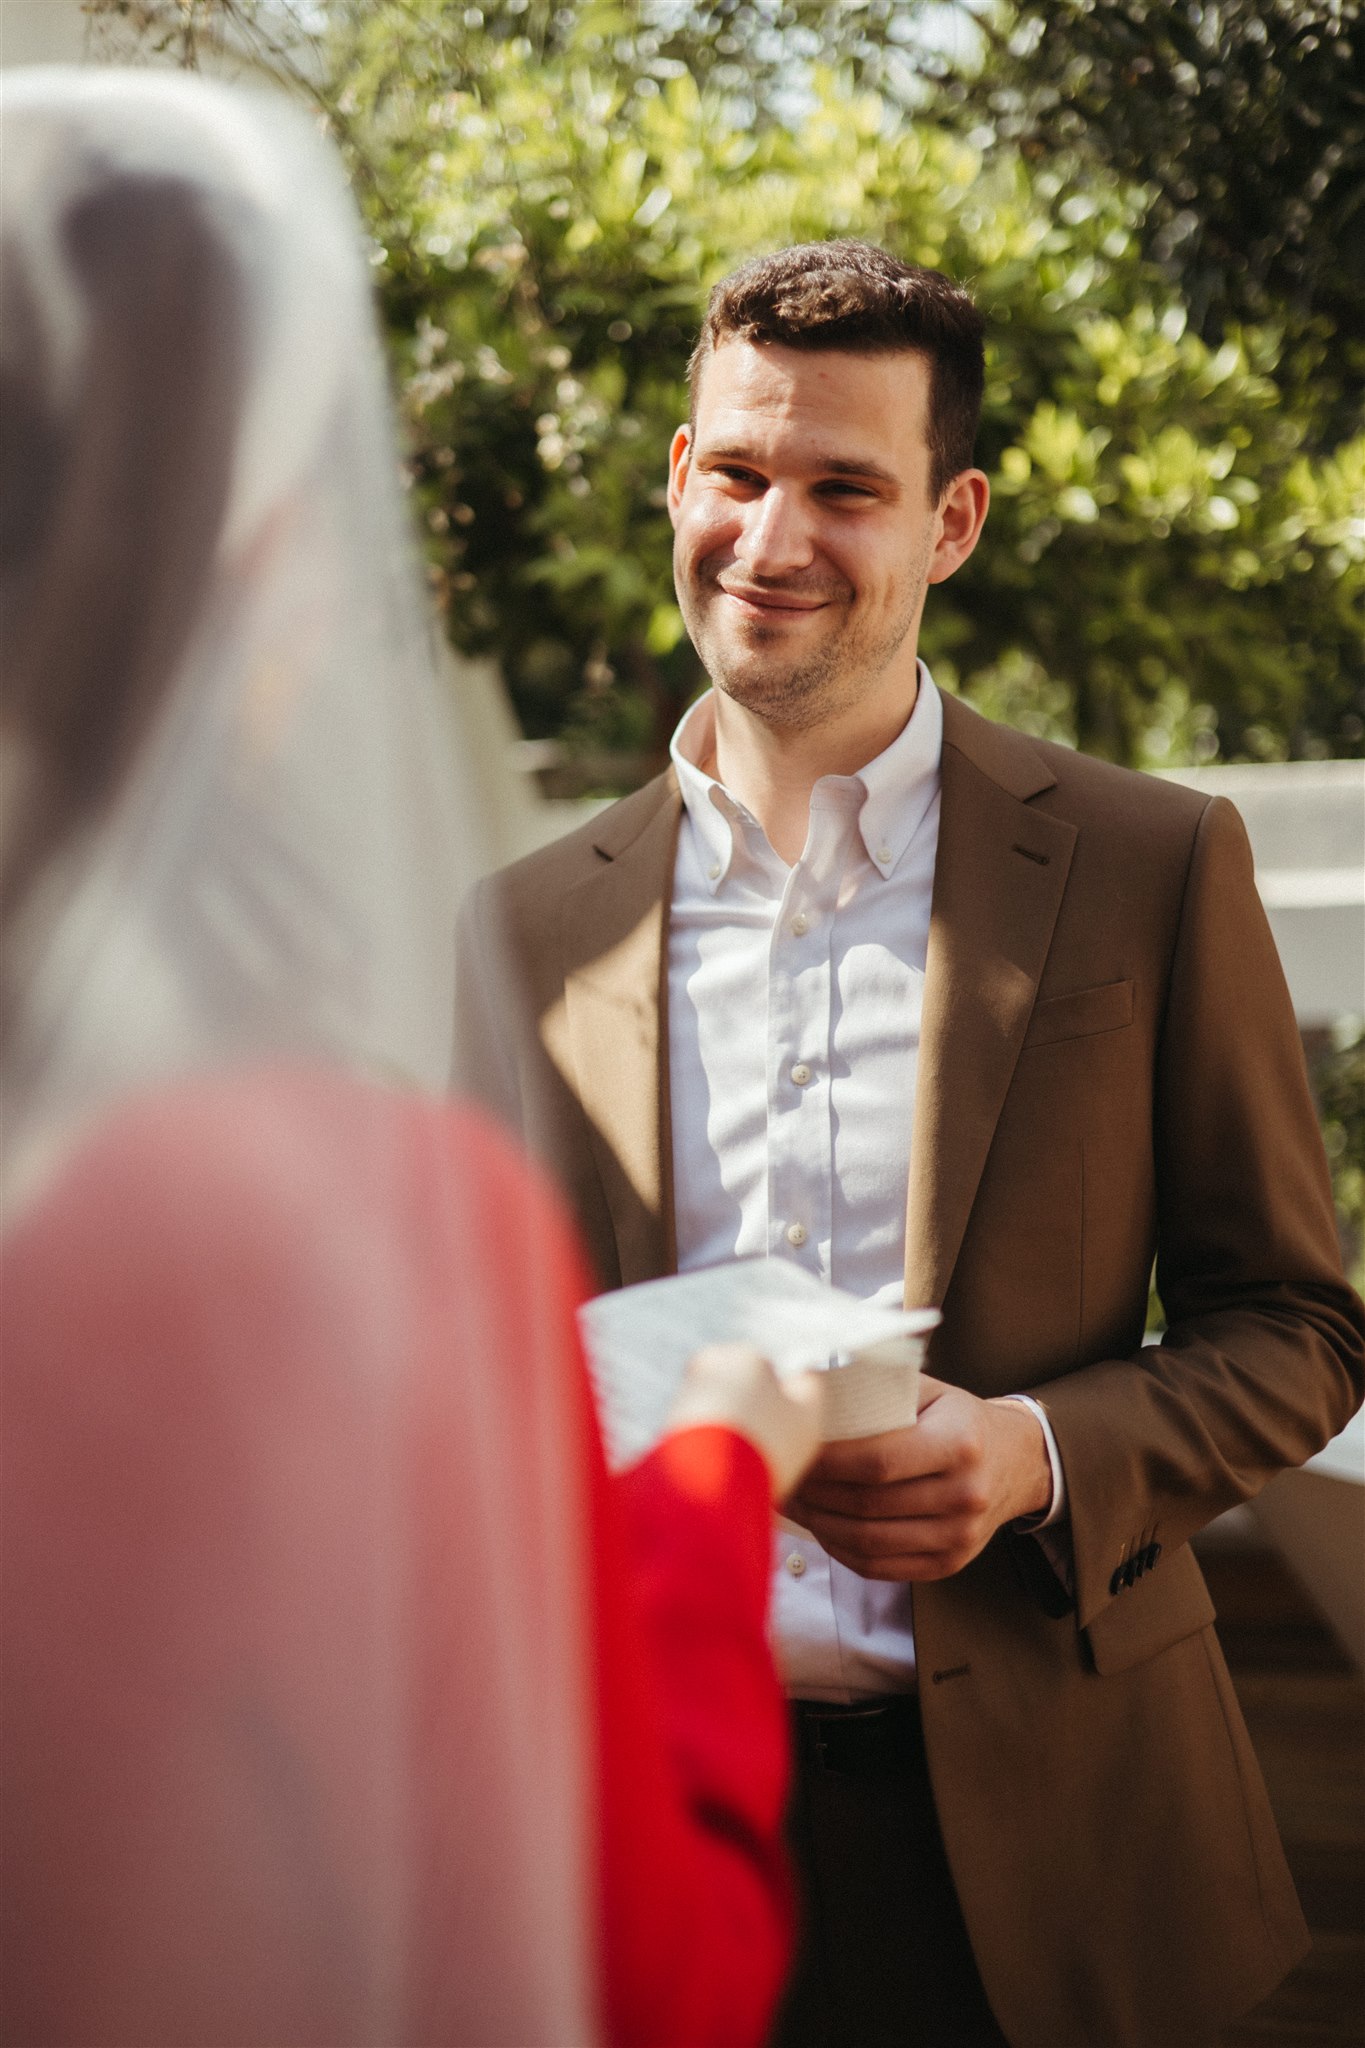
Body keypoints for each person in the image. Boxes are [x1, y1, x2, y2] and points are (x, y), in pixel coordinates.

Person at [457, 239, 1365, 2048]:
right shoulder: (521, 925)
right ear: (677, 480)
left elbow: (1304, 1331)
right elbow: (479, 1372)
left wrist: (1032, 1455)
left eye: (841, 489)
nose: (771, 538)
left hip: (1063, 1837)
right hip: (644, 1830)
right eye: (736, 473)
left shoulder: (1146, 863)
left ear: (947, 522)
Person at [0, 70, 825, 2048]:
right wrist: (714, 1470)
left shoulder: (1147, 865)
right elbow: (628, 1973)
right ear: (265, 568)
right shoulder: (324, 1209)